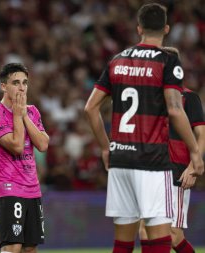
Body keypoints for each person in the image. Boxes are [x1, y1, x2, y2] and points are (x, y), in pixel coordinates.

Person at [84, 3, 204, 253]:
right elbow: (174, 108)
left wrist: (106, 148)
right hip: (152, 159)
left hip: (120, 159)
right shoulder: (167, 61)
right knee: (161, 236)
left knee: (124, 242)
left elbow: (90, 108)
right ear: (166, 29)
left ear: (139, 28)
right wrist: (194, 151)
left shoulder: (116, 60)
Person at [139, 47, 205, 253]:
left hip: (175, 171)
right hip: (149, 171)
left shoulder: (188, 98)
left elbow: (201, 135)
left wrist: (192, 167)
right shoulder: (149, 99)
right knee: (145, 230)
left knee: (174, 235)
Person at [0, 63, 49, 253]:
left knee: (30, 249)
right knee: (12, 247)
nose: (21, 88)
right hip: (9, 189)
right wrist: (18, 116)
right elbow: (17, 146)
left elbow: (43, 145)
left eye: (25, 83)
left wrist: (24, 116)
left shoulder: (32, 111)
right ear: (3, 86)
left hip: (33, 189)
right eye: (16, 83)